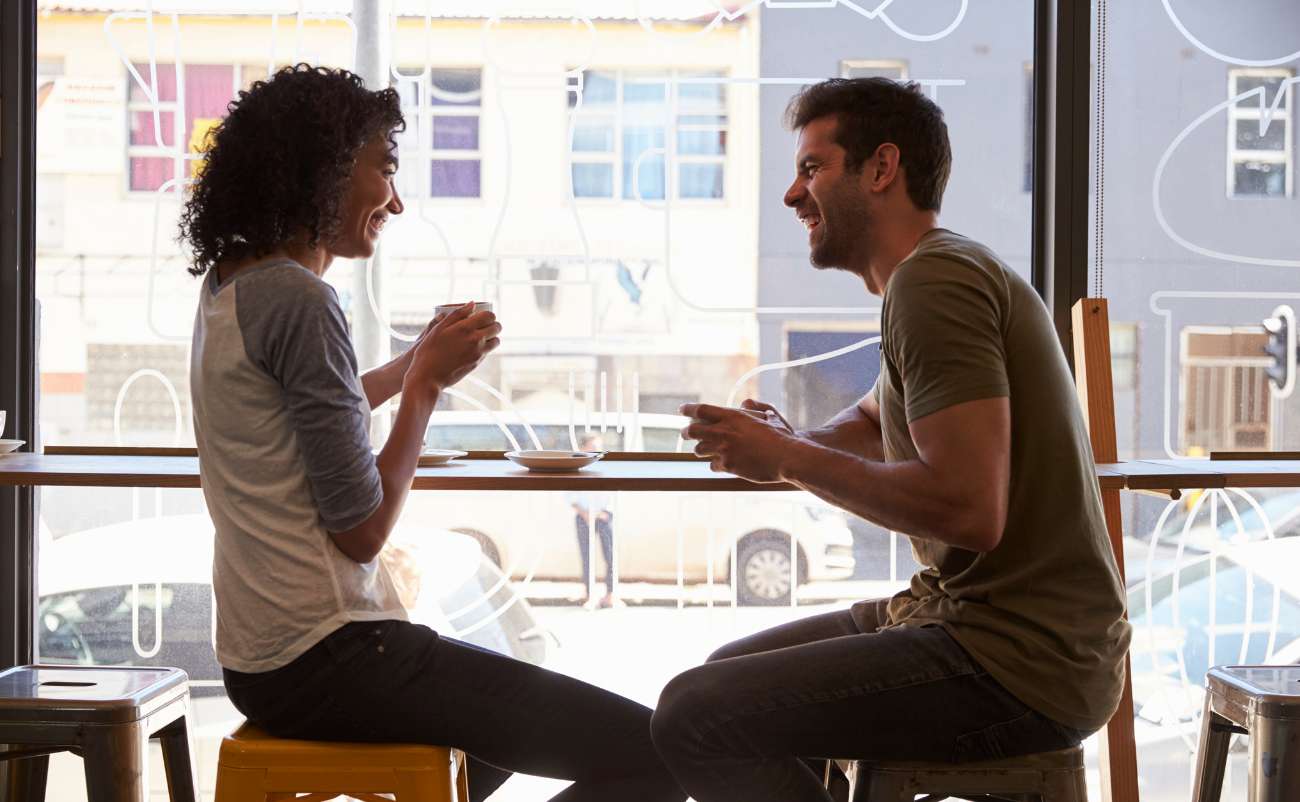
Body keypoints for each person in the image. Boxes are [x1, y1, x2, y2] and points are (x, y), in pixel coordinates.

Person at [184, 64, 684, 802]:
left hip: (262, 662)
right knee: (659, 753)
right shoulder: (300, 300)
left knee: (491, 734)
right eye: (384, 168)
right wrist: (425, 388)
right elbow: (360, 531)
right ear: (322, 169)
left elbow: (299, 412)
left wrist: (411, 362)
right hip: (335, 652)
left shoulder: (232, 287)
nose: (397, 198)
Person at [651, 77, 1131, 802]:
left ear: (881, 169)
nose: (792, 194)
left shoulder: (933, 284)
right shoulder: (932, 276)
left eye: (812, 168)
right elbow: (877, 423)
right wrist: (791, 440)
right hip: (969, 622)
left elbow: (971, 509)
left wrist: (789, 459)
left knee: (698, 716)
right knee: (720, 681)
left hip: (1022, 661)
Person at [564, 433, 620, 609]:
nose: (597, 451)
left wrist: (601, 512)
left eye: (598, 447)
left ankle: (611, 595)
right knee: (587, 557)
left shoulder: (607, 466)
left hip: (604, 516)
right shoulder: (575, 467)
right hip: (583, 517)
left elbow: (614, 491)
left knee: (610, 556)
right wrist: (584, 513)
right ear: (583, 448)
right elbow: (569, 494)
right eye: (593, 447)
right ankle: (590, 596)